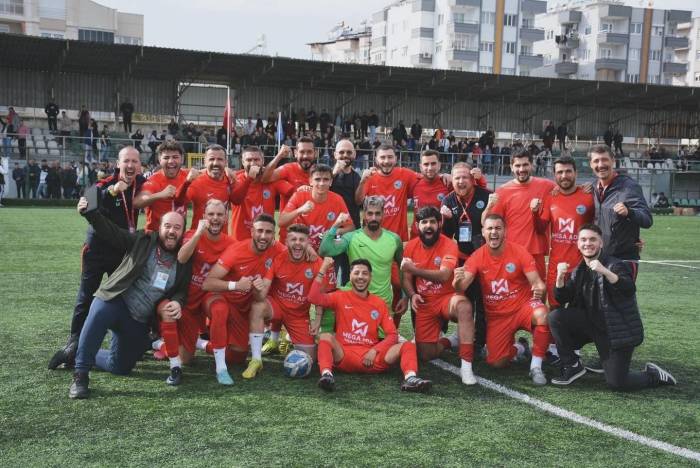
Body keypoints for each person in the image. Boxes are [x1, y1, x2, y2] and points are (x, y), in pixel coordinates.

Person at [68, 200, 191, 399]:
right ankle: (80, 375)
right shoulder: (143, 241)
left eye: (177, 228)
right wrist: (90, 214)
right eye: (167, 226)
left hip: (138, 320)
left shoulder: (184, 260)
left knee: (119, 367)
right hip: (116, 300)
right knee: (99, 310)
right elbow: (112, 233)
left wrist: (177, 301)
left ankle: (76, 352)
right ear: (159, 228)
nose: (171, 231)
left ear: (183, 232)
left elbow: (182, 291)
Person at [48, 147, 145, 370]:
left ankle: (124, 344)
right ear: (118, 164)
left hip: (121, 251)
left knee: (122, 296)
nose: (130, 166)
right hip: (96, 250)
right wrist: (109, 192)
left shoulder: (141, 183)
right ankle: (73, 344)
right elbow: (87, 200)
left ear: (140, 165)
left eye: (134, 161)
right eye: (126, 161)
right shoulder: (106, 183)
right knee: (86, 296)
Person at [548, 223, 676, 389]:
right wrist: (559, 278)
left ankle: (653, 374)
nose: (588, 243)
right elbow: (562, 298)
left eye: (593, 239)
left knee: (617, 383)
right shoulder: (579, 269)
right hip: (592, 324)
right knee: (555, 317)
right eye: (583, 240)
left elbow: (629, 289)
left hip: (615, 332)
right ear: (578, 244)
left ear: (601, 243)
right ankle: (572, 366)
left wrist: (605, 272)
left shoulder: (614, 264)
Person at [308, 258, 432, 393]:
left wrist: (375, 351)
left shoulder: (379, 303)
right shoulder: (340, 297)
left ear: (370, 277)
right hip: (344, 356)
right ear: (350, 276)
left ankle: (410, 378)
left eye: (364, 273)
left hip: (371, 359)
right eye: (356, 273)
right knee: (325, 336)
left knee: (408, 345)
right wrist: (323, 269)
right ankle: (327, 375)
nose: (360, 277)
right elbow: (313, 297)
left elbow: (392, 335)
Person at [454, 214, 551, 386]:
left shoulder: (519, 251)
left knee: (542, 314)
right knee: (496, 362)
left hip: (522, 307)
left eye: (498, 228)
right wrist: (457, 281)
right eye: (490, 228)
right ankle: (521, 348)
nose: (494, 232)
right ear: (483, 232)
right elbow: (462, 287)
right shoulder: (477, 256)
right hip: (498, 316)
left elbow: (538, 283)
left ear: (505, 231)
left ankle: (536, 366)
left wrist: (539, 291)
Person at [153, 199, 233, 385]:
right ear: (204, 217)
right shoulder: (191, 235)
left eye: (219, 214)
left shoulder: (231, 243)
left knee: (220, 309)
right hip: (186, 301)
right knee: (186, 359)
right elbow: (181, 257)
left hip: (208, 296)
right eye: (211, 214)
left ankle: (221, 368)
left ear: (226, 217)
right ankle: (160, 343)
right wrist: (198, 233)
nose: (215, 218)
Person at [201, 214, 286, 384]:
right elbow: (207, 283)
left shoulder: (278, 250)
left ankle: (199, 343)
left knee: (237, 356)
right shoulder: (236, 251)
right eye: (260, 231)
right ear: (252, 231)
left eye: (268, 232)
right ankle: (221, 369)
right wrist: (235, 285)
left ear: (274, 234)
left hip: (243, 307)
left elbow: (295, 249)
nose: (263, 236)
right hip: (221, 298)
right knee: (220, 310)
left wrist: (311, 253)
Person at [402, 206, 477, 385]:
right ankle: (450, 341)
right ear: (417, 226)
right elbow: (406, 278)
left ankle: (466, 367)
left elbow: (444, 276)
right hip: (425, 303)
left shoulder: (449, 244)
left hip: (446, 298)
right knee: (425, 354)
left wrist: (414, 269)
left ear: (439, 224)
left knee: (464, 306)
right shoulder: (411, 246)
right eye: (424, 222)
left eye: (433, 222)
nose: (429, 226)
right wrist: (412, 294)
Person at [247, 224, 333, 371]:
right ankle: (256, 360)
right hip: (277, 308)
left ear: (308, 243)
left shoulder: (317, 263)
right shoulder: (278, 259)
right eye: (293, 239)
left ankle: (288, 339)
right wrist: (256, 289)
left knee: (310, 360)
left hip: (298, 316)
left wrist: (317, 319)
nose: (297, 243)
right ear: (286, 242)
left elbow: (321, 293)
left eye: (302, 240)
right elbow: (263, 293)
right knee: (257, 306)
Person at [482, 148, 556, 279]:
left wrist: (583, 188)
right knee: (513, 293)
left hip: (536, 252)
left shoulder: (547, 186)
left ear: (532, 165)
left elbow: (567, 188)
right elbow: (487, 222)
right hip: (511, 252)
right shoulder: (502, 191)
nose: (521, 169)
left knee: (538, 291)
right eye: (517, 165)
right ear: (511, 167)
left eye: (525, 164)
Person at [440, 162, 491, 352]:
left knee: (485, 301)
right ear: (451, 180)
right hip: (462, 259)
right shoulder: (448, 201)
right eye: (457, 178)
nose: (461, 181)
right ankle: (459, 335)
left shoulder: (486, 196)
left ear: (472, 179)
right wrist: (443, 220)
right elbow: (445, 237)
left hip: (485, 258)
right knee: (464, 299)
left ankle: (481, 341)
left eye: (465, 177)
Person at [534, 156, 594, 308]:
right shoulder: (550, 197)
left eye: (568, 171)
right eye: (560, 172)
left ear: (576, 173)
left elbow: (603, 223)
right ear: (555, 175)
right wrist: (534, 213)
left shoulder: (588, 196)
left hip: (582, 267)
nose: (564, 176)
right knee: (555, 310)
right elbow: (540, 228)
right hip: (556, 267)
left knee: (581, 312)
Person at [590, 144, 652, 280]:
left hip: (623, 260)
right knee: (596, 301)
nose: (601, 164)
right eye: (596, 161)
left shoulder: (629, 187)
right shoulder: (591, 188)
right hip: (597, 259)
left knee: (621, 300)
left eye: (604, 160)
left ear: (613, 161)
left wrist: (629, 212)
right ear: (591, 164)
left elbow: (647, 220)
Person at [279, 163, 353, 252]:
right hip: (300, 250)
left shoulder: (338, 199)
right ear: (310, 181)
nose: (321, 183)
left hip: (324, 251)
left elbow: (351, 227)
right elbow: (281, 222)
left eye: (326, 179)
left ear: (331, 182)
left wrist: (335, 231)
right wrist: (299, 210)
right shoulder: (299, 196)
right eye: (317, 179)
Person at [355, 144, 419, 242]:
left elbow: (427, 178)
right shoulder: (369, 178)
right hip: (374, 239)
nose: (386, 161)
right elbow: (358, 201)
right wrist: (362, 181)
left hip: (398, 240)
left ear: (396, 159)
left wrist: (444, 176)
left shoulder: (405, 174)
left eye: (390, 157)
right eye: (382, 157)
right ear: (376, 160)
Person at [174, 144, 245, 232]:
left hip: (221, 240)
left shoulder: (230, 179)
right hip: (199, 239)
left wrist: (234, 182)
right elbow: (178, 202)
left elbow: (237, 201)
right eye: (211, 159)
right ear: (205, 161)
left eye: (220, 159)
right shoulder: (196, 181)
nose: (215, 163)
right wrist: (187, 182)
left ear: (226, 162)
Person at [230, 145, 294, 242]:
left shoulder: (272, 180)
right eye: (249, 160)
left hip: (265, 241)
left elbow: (294, 193)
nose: (253, 163)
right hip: (240, 241)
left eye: (256, 160)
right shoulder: (235, 179)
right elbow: (235, 200)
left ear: (263, 161)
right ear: (242, 162)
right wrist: (249, 178)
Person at [134, 140, 189, 232]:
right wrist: (160, 195)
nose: (171, 161)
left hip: (179, 236)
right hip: (155, 236)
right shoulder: (153, 180)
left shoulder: (187, 175)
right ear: (160, 160)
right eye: (166, 157)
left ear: (182, 159)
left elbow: (207, 172)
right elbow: (137, 202)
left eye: (175, 157)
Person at [330, 138, 362, 284]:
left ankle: (346, 302)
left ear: (354, 155)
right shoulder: (327, 176)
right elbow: (318, 190)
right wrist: (334, 172)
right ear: (335, 154)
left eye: (349, 152)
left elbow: (359, 202)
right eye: (341, 152)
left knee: (349, 271)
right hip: (332, 231)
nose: (345, 155)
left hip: (352, 232)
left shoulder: (357, 177)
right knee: (331, 269)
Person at [260, 138, 316, 214]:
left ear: (315, 153)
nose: (305, 156)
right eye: (302, 152)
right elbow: (264, 179)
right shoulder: (288, 169)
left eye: (309, 152)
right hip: (289, 224)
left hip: (310, 224)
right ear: (295, 153)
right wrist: (279, 156)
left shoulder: (320, 173)